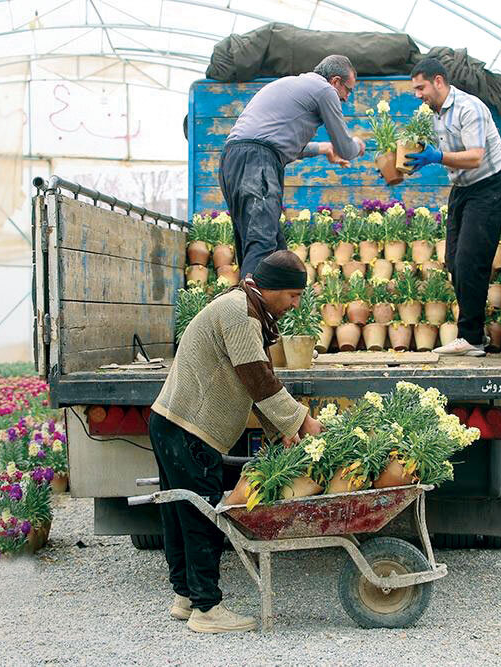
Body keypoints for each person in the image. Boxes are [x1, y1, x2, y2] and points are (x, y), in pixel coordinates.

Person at [148, 250, 324, 633]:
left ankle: (186, 597)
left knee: (179, 514)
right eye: (293, 295)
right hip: (189, 428)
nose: (296, 304)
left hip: (170, 421)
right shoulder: (239, 312)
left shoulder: (246, 308)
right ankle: (207, 610)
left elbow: (253, 383)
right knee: (200, 517)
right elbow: (258, 379)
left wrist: (283, 431)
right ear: (272, 288)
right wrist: (303, 421)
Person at [220, 54, 367, 278]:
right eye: (348, 90)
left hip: (233, 160)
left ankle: (265, 309)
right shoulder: (324, 90)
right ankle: (249, 310)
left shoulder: (292, 84)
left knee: (269, 248)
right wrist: (357, 145)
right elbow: (346, 148)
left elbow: (279, 143)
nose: (347, 98)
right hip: (258, 161)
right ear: (335, 81)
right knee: (263, 246)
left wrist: (324, 148)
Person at [405, 57, 501, 358]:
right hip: (464, 188)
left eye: (421, 87)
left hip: (489, 184)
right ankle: (473, 336)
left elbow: (476, 156)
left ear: (439, 81)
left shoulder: (469, 108)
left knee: (470, 261)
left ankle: (471, 338)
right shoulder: (434, 114)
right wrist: (408, 162)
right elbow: (430, 151)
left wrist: (436, 157)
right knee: (454, 260)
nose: (418, 95)